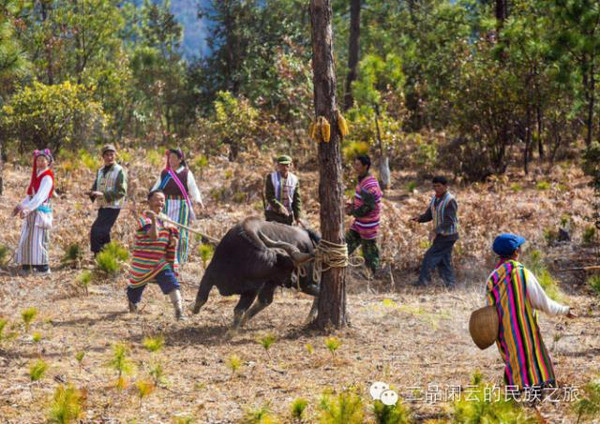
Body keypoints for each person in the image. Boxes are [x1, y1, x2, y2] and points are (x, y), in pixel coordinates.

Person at [485, 233, 575, 390]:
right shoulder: (522, 273)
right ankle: (538, 392)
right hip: (526, 332)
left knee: (514, 362)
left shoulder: (492, 278)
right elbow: (544, 303)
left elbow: (488, 309)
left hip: (504, 334)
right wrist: (564, 310)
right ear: (516, 252)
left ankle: (517, 392)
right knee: (535, 363)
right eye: (520, 247)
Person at [127, 190, 185, 320]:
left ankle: (179, 312)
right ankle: (133, 303)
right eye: (157, 199)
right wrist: (153, 220)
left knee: (171, 282)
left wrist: (174, 238)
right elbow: (153, 236)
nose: (160, 202)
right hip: (143, 261)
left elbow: (174, 232)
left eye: (163, 200)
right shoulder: (144, 219)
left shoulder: (166, 219)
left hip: (159, 261)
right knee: (135, 288)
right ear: (149, 202)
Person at [151, 148, 203, 265]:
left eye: (174, 158)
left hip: (181, 207)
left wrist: (198, 200)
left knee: (180, 232)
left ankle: (179, 260)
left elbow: (193, 188)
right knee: (164, 230)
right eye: (169, 158)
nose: (171, 160)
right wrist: (150, 197)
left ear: (180, 159)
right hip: (165, 205)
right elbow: (156, 187)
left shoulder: (186, 173)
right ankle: (162, 259)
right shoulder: (165, 173)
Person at [13, 149, 55, 275]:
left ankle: (43, 268)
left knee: (38, 240)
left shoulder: (47, 177)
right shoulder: (37, 175)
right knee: (27, 238)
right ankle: (27, 265)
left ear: (48, 162)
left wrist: (27, 209)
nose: (40, 162)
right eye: (38, 160)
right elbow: (30, 196)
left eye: (43, 160)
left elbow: (40, 197)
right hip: (32, 211)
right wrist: (21, 205)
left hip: (40, 212)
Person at [411, 176, 458, 288]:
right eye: (435, 186)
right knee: (444, 261)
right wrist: (420, 218)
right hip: (441, 235)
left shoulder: (450, 200)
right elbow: (430, 214)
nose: (436, 188)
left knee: (429, 257)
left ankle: (424, 281)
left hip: (448, 236)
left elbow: (449, 221)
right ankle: (449, 284)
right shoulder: (435, 199)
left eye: (439, 186)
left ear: (446, 186)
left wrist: (435, 231)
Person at [345, 154, 383, 276]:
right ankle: (336, 267)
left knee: (369, 250)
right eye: (354, 164)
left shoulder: (369, 184)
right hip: (360, 221)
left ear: (365, 166)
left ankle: (372, 274)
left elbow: (369, 206)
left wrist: (353, 212)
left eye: (358, 165)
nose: (355, 167)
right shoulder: (362, 180)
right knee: (346, 244)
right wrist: (353, 204)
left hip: (368, 223)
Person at [89, 144, 127, 256]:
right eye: (107, 155)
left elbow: (121, 192)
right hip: (103, 205)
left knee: (96, 230)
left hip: (113, 206)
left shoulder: (119, 170)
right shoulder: (100, 171)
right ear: (103, 156)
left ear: (115, 155)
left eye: (112, 154)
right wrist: (92, 193)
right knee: (104, 232)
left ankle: (97, 255)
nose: (109, 157)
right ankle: (107, 258)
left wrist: (103, 194)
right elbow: (96, 185)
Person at [264, 155, 302, 225]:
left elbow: (296, 199)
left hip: (287, 215)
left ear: (291, 165)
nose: (284, 167)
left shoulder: (294, 179)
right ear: (278, 165)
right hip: (273, 214)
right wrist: (279, 207)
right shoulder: (271, 177)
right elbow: (269, 195)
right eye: (282, 165)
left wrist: (298, 217)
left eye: (287, 165)